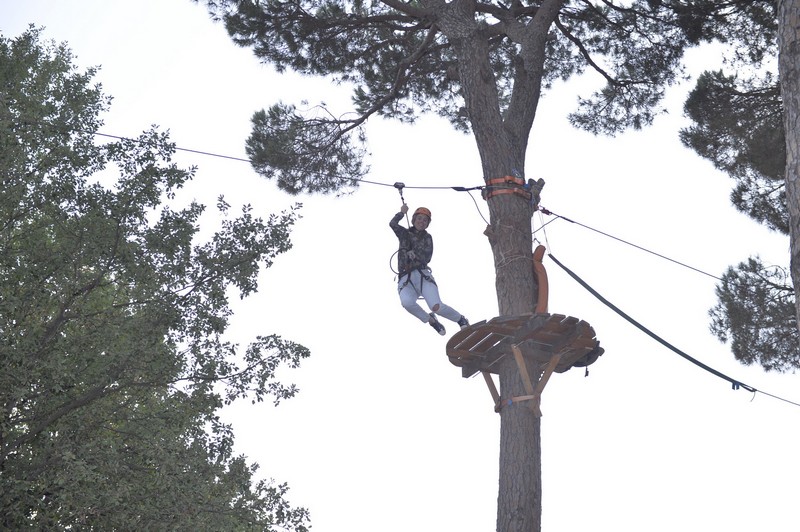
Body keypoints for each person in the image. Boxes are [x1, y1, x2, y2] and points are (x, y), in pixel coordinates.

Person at [390, 203, 469, 336]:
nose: (422, 222)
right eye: (419, 218)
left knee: (436, 307)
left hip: (422, 276)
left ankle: (460, 319)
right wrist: (402, 213)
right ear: (414, 219)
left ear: (427, 224)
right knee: (407, 303)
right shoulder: (404, 234)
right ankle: (431, 321)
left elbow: (427, 257)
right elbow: (392, 224)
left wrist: (415, 256)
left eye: (425, 220)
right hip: (405, 278)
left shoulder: (427, 238)